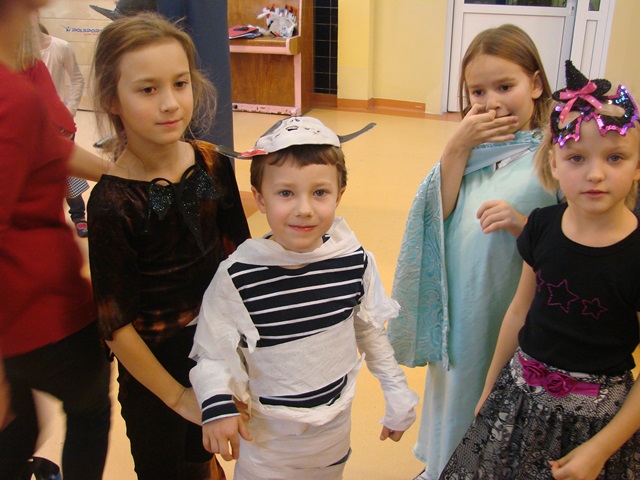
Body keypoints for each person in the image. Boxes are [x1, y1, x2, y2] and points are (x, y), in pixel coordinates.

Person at [439, 60, 640, 480]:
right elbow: (519, 311)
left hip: (596, 423)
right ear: (553, 163)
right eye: (576, 158)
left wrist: (601, 448)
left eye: (615, 157)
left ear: (637, 165)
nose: (595, 174)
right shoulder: (542, 227)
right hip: (518, 400)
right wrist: (489, 389)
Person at [189, 116, 419, 480]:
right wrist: (217, 404)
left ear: (339, 194)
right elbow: (213, 351)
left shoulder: (353, 260)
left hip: (333, 434)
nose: (304, 209)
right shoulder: (238, 275)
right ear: (260, 199)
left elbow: (368, 330)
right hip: (268, 444)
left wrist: (396, 390)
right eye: (286, 193)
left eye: (320, 192)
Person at [388, 24, 560, 480]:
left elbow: (571, 231)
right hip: (463, 304)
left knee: (500, 394)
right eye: (477, 92)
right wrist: (457, 146)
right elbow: (437, 214)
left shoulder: (555, 153)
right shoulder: (474, 150)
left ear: (535, 84)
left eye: (505, 86)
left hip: (511, 304)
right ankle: (448, 465)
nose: (491, 102)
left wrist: (522, 224)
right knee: (461, 381)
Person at [87, 12, 250, 480]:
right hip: (155, 376)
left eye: (180, 84)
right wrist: (178, 396)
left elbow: (241, 259)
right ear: (111, 99)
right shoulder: (113, 202)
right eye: (147, 89)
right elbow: (116, 325)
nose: (170, 103)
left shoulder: (212, 162)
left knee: (209, 459)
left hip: (218, 352)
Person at [0, 1, 112, 479]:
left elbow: (50, 146)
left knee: (22, 425)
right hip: (33, 307)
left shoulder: (25, 67)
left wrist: (136, 179)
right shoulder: (11, 95)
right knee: (87, 408)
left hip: (38, 302)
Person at [38, 22, 90, 237]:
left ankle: (78, 216)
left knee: (68, 171)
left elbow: (77, 79)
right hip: (30, 125)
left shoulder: (60, 47)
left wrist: (69, 112)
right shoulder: (14, 52)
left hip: (58, 123)